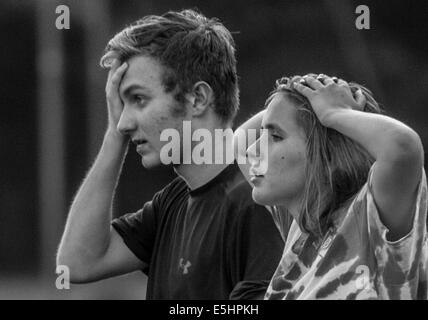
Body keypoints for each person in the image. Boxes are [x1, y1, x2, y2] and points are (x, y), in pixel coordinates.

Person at [56, 9, 284, 300]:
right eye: (123, 104)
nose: (125, 122)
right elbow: (77, 263)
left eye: (139, 99)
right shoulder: (173, 201)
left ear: (198, 99)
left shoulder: (256, 201)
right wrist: (114, 136)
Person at [235, 74, 427, 299]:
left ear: (327, 154)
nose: (253, 151)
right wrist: (303, 90)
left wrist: (334, 113)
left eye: (276, 136)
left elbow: (403, 148)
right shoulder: (303, 227)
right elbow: (240, 142)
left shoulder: (372, 215)